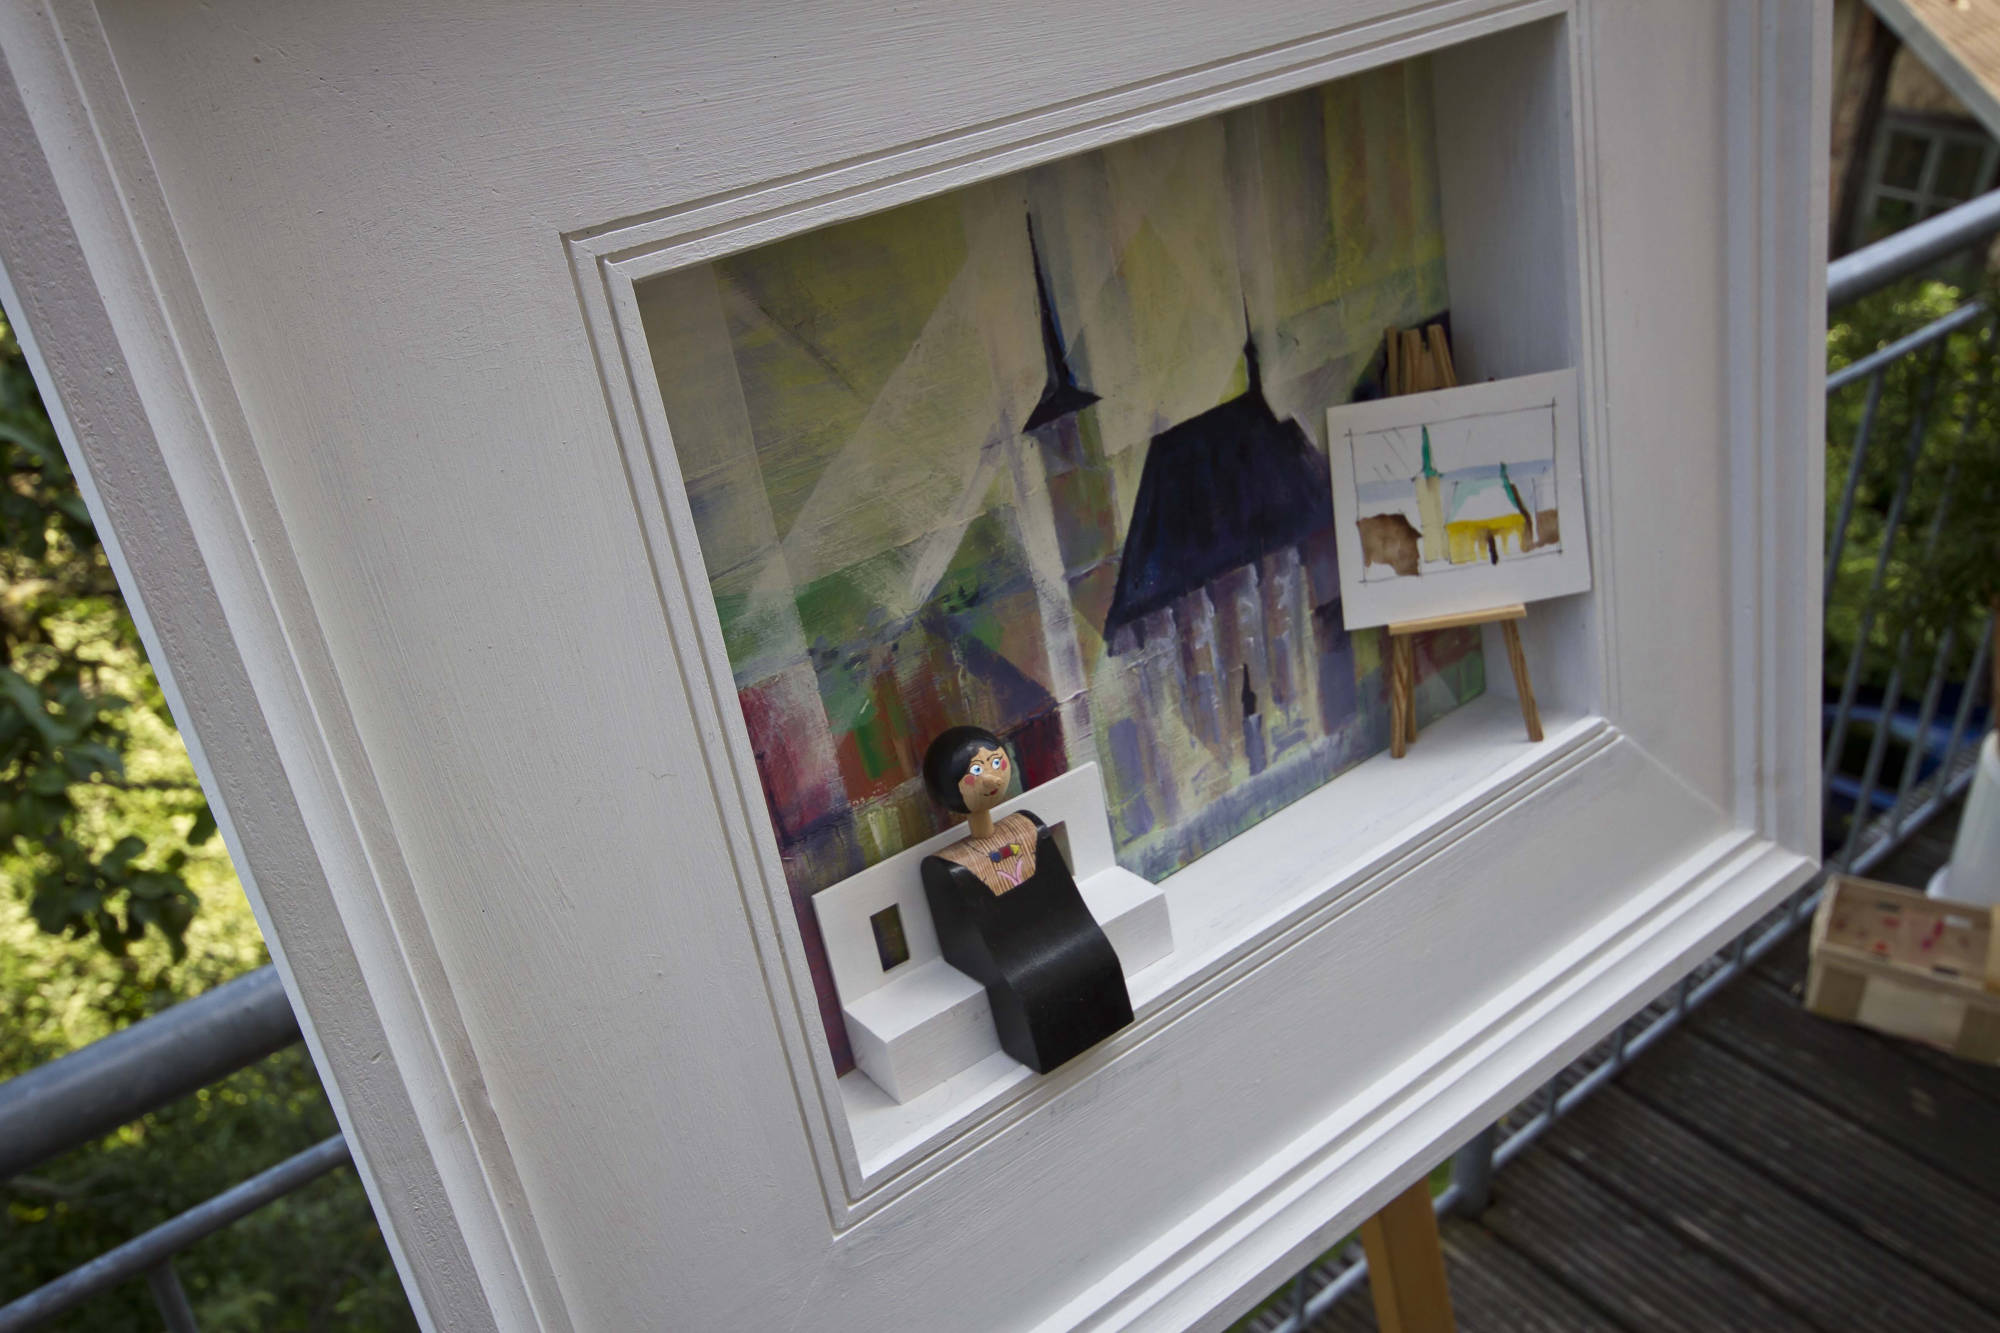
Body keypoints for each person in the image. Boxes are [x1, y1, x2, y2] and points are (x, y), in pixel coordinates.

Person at [919, 725, 1133, 1074]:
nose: (991, 777)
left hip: (1064, 934)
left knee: (1087, 957)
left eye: (995, 763)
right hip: (1014, 968)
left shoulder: (1028, 829)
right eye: (977, 770)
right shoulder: (949, 870)